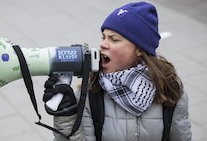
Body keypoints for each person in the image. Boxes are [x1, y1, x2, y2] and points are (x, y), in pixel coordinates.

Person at [42, 1, 192, 141]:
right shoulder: (90, 93)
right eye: (104, 37)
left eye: (114, 39)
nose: (103, 45)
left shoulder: (170, 89)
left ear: (139, 49)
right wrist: (66, 116)